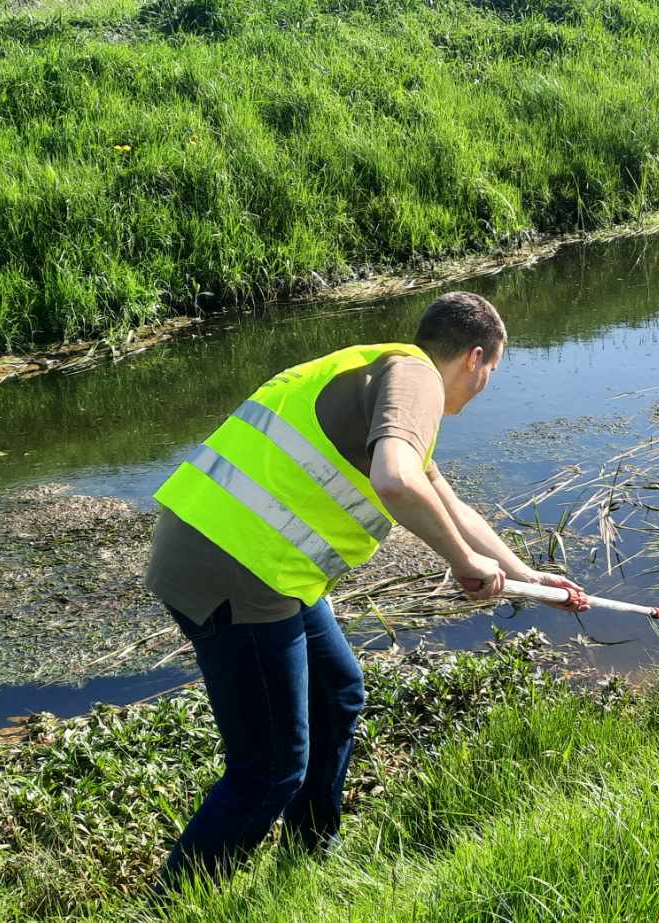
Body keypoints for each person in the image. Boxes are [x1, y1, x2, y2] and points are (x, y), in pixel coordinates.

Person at [143, 291, 586, 889]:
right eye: (492, 374)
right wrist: (462, 565)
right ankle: (176, 901)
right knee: (271, 768)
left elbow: (448, 504)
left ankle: (308, 859)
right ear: (475, 358)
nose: (485, 388)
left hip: (257, 565)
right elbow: (397, 483)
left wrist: (526, 574)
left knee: (339, 693)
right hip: (234, 568)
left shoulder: (383, 376)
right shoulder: (415, 377)